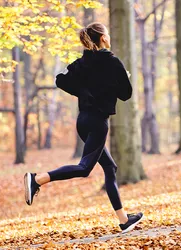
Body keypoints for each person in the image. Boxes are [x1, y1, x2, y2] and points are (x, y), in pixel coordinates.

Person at [24, 22, 144, 233]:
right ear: (103, 38)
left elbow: (60, 79)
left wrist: (83, 92)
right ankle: (37, 179)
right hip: (98, 122)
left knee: (110, 168)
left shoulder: (81, 62)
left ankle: (124, 219)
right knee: (84, 168)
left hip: (83, 121)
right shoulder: (112, 61)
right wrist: (120, 78)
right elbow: (126, 94)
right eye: (107, 33)